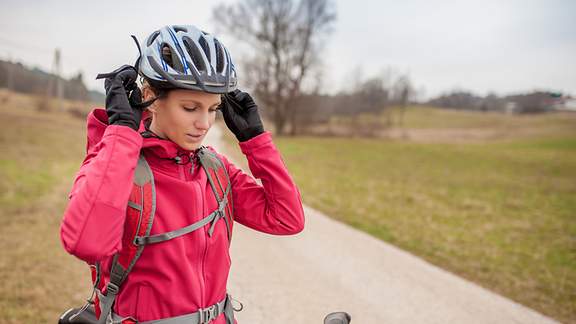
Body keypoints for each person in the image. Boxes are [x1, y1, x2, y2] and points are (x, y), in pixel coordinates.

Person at [59, 24, 305, 324]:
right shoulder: (118, 166)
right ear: (149, 96)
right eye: (190, 107)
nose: (205, 123)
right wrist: (122, 132)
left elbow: (287, 218)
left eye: (213, 108)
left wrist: (255, 140)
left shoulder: (214, 169)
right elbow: (87, 243)